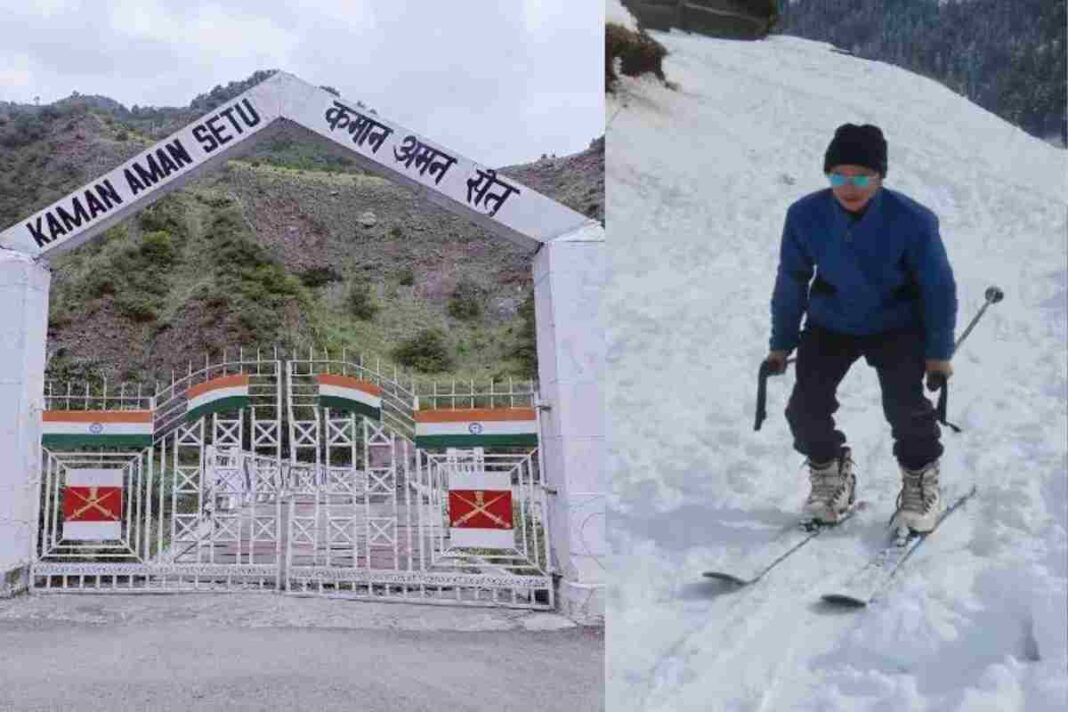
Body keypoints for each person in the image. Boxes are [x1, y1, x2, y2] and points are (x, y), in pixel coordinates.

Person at [765, 123, 957, 533]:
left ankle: (921, 480)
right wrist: (780, 344)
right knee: (805, 407)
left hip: (896, 323)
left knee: (905, 406)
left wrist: (938, 352)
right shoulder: (804, 216)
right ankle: (832, 473)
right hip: (830, 321)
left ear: (880, 177)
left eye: (861, 176)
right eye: (839, 175)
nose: (849, 186)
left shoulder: (915, 221)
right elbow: (792, 280)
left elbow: (938, 288)